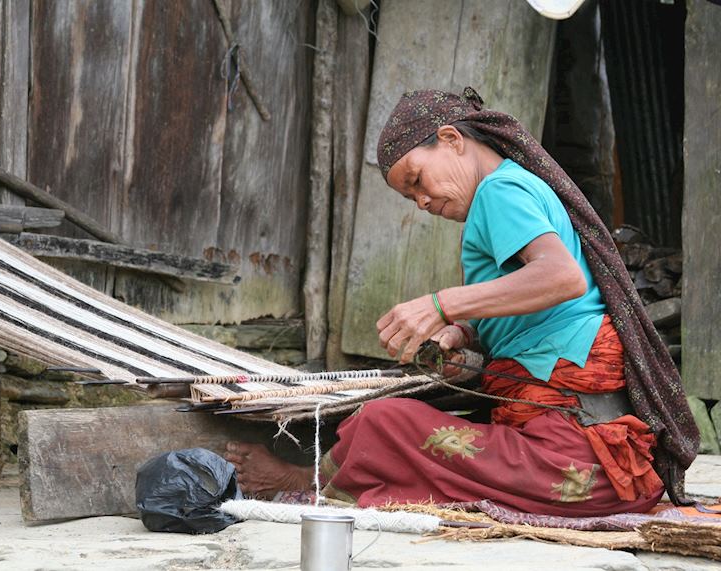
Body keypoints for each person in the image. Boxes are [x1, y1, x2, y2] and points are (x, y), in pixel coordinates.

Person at [226, 88, 698, 516]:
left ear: (451, 139)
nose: (421, 201)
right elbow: (531, 311)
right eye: (409, 195)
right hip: (595, 469)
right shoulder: (508, 192)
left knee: (381, 424)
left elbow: (562, 278)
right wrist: (463, 334)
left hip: (576, 458)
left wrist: (442, 304)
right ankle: (329, 481)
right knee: (401, 429)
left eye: (416, 179)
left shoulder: (500, 189)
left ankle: (303, 481)